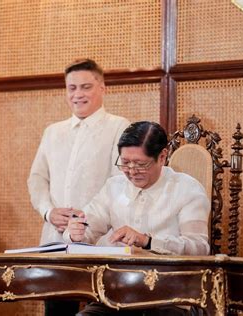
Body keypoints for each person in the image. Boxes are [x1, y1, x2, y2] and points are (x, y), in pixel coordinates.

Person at [66, 121, 210, 316]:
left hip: (170, 297)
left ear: (162, 157)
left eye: (141, 164)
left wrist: (148, 241)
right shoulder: (113, 187)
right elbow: (88, 227)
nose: (131, 171)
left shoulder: (187, 190)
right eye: (125, 163)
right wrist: (76, 233)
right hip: (118, 295)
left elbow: (199, 248)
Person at [28, 58, 130, 316]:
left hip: (99, 240)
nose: (78, 94)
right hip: (54, 238)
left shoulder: (119, 127)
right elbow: (37, 179)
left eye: (85, 87)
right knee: (56, 308)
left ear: (102, 88)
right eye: (72, 88)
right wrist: (49, 212)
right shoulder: (53, 131)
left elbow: (119, 182)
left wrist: (86, 220)